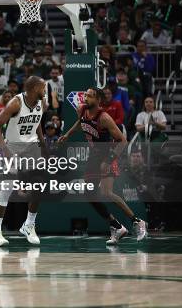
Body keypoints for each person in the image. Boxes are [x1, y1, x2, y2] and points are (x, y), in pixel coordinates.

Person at [59, 88, 148, 245]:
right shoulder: (81, 109)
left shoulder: (104, 117)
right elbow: (81, 123)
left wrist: (108, 161)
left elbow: (122, 140)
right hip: (94, 157)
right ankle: (116, 226)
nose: (86, 98)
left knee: (107, 193)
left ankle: (137, 221)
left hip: (108, 155)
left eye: (90, 96)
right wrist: (68, 134)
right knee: (89, 194)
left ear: (98, 100)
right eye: (85, 95)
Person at [0, 76, 48, 247]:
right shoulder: (16, 103)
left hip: (31, 148)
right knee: (7, 189)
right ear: (35, 88)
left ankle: (29, 225)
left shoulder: (42, 103)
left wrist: (43, 146)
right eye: (43, 88)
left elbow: (37, 122)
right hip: (12, 148)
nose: (45, 91)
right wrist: (5, 149)